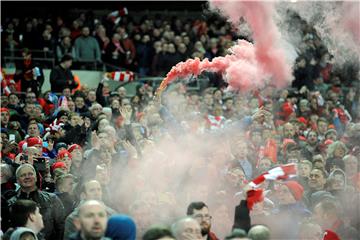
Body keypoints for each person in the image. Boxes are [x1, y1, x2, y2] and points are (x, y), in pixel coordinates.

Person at [6, 164, 65, 240]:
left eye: (30, 174)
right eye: (23, 175)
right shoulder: (11, 203)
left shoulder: (52, 198)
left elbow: (61, 226)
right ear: (17, 180)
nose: (27, 177)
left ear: (36, 177)